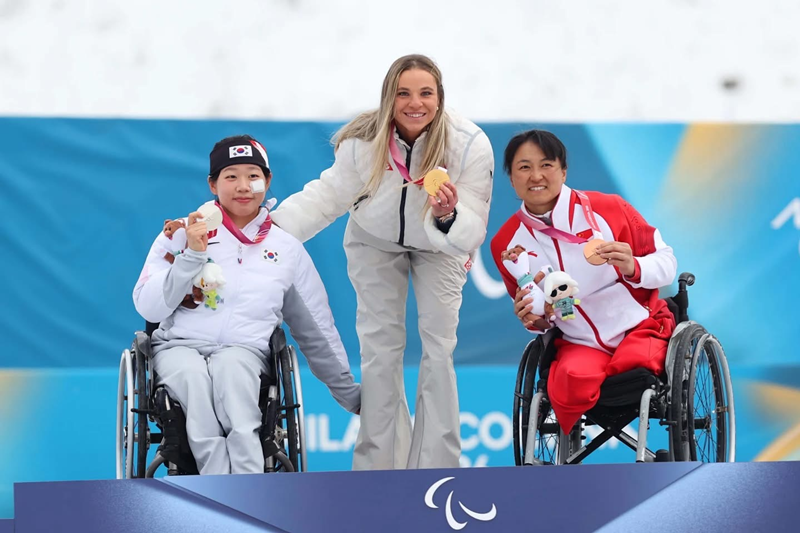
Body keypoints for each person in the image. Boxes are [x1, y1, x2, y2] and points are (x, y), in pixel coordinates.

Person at [270, 54, 494, 470]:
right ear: (389, 97)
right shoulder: (364, 140)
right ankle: (378, 467)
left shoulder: (468, 144)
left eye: (425, 93)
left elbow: (473, 229)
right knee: (380, 349)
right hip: (373, 239)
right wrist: (271, 230)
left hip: (441, 244)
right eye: (404, 93)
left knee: (439, 348)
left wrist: (448, 216)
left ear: (440, 97)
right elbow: (327, 196)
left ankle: (437, 468)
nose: (415, 103)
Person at [133, 134, 361, 475]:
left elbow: (316, 327)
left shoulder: (286, 249)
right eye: (231, 176)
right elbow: (149, 308)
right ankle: (215, 486)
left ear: (267, 182)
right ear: (212, 184)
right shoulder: (179, 233)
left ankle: (248, 484)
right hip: (178, 347)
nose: (243, 186)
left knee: (233, 374)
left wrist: (350, 395)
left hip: (245, 351)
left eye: (253, 176)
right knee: (192, 380)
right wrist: (191, 255)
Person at [491, 130, 677, 434]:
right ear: (511, 178)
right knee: (570, 383)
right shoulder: (506, 243)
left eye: (546, 165)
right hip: (579, 343)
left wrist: (633, 266)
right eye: (524, 167)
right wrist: (534, 319)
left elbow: (667, 264)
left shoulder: (608, 209)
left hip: (639, 327)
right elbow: (537, 319)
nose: (536, 175)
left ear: (564, 171)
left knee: (634, 367)